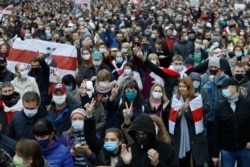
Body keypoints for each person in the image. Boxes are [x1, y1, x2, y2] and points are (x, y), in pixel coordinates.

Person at [169, 77, 209, 167]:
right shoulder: (175, 99)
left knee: (196, 162)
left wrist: (187, 110)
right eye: (180, 86)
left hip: (195, 136)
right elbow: (173, 119)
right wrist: (181, 111)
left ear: (189, 87)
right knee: (182, 162)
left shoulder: (196, 98)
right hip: (179, 136)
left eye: (184, 86)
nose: (181, 88)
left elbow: (197, 118)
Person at [212, 78, 250, 167]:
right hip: (227, 150)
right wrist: (215, 154)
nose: (223, 90)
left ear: (234, 87)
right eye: (222, 88)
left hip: (245, 148)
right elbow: (216, 132)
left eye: (226, 87)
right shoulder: (219, 109)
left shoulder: (247, 105)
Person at [84, 98, 124, 167]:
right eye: (106, 140)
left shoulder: (126, 153)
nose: (109, 142)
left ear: (120, 141)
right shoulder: (101, 150)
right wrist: (89, 115)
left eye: (113, 140)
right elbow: (90, 136)